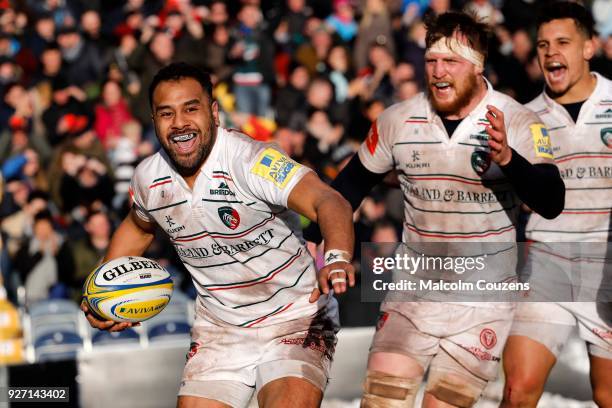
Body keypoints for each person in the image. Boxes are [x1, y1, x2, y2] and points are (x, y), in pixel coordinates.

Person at [306, 11, 565, 407]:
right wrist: (311, 242)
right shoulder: (397, 119)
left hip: (482, 302)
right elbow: (346, 189)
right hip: (413, 294)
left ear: (478, 67)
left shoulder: (518, 120)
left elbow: (552, 201)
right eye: (431, 61)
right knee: (381, 401)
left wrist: (509, 159)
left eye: (451, 62)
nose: (438, 72)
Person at [81, 62, 355, 408]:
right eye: (167, 113)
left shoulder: (253, 160)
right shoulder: (148, 178)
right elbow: (138, 226)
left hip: (297, 316)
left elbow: (328, 200)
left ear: (213, 112)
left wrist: (337, 257)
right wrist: (102, 291)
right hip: (219, 328)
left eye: (190, 109)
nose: (179, 123)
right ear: (154, 121)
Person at [501, 3, 612, 407]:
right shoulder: (523, 118)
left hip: (607, 265)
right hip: (548, 263)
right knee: (517, 391)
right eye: (544, 44)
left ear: (589, 47)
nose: (551, 53)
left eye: (563, 42)